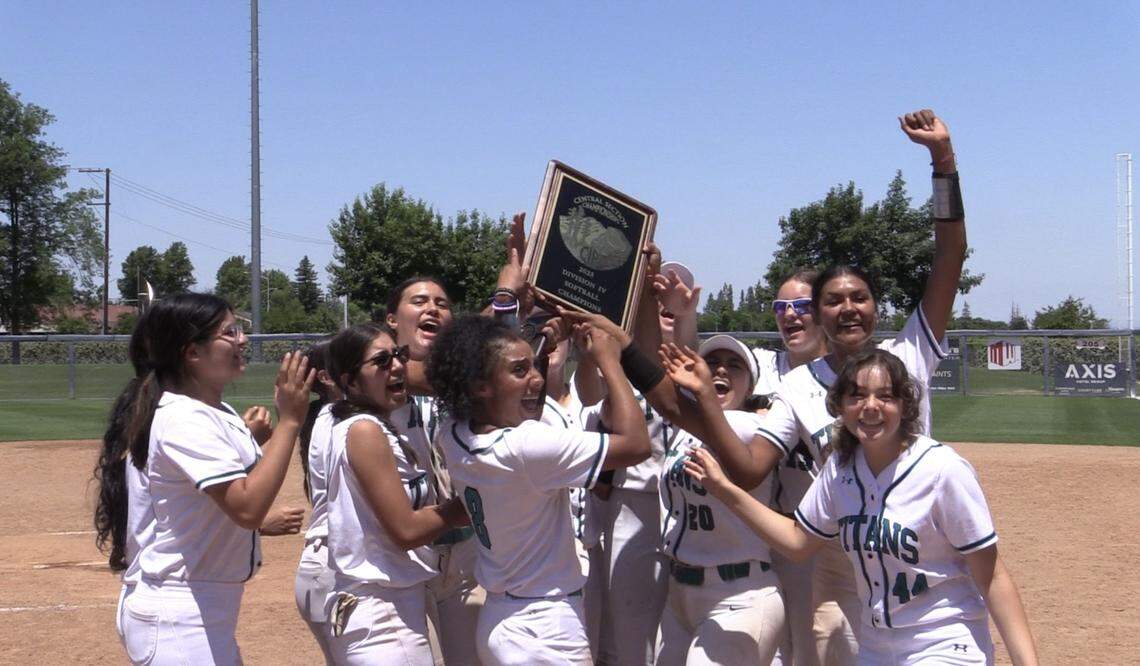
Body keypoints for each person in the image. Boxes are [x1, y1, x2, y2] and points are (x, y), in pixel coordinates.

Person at [748, 108, 967, 664]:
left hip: (920, 550)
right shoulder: (800, 385)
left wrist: (943, 164)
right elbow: (751, 465)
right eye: (833, 299)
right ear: (817, 314)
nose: (848, 307)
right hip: (841, 564)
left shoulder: (908, 354)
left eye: (860, 297)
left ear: (876, 306)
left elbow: (949, 256)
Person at [684, 349, 1038, 665]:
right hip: (876, 647)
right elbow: (797, 542)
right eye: (857, 396)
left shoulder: (942, 470)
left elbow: (991, 575)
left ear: (905, 406)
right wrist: (725, 489)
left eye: (885, 396)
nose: (870, 406)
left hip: (944, 640)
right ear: (840, 406)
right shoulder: (839, 469)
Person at [93, 293, 314, 665]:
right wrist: (291, 420)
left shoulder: (211, 411)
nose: (242, 339)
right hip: (180, 614)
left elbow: (210, 503)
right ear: (192, 353)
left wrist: (251, 442)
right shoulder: (184, 417)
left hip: (196, 609)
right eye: (229, 332)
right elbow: (245, 506)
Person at [428, 314, 652, 665]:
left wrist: (541, 351)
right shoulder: (526, 448)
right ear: (480, 385)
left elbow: (513, 404)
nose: (535, 378)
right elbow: (637, 444)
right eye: (520, 371)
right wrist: (610, 361)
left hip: (501, 617)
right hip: (544, 627)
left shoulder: (453, 433)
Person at [322, 322, 470, 664]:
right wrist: (470, 505)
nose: (398, 366)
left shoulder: (370, 426)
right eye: (382, 361)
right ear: (349, 381)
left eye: (399, 355)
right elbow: (405, 531)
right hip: (381, 610)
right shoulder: (364, 431)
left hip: (387, 603)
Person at [653, 335, 786, 665]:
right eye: (712, 363)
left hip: (739, 594)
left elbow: (662, 396)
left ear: (750, 386)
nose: (721, 369)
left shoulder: (752, 426)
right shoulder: (685, 429)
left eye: (735, 365)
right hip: (679, 593)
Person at [754, 269, 834, 666]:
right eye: (780, 307)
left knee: (817, 643)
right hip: (774, 529)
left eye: (801, 306)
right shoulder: (762, 366)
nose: (790, 315)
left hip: (827, 533)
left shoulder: (844, 375)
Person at [294, 340, 340, 663]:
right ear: (326, 378)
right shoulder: (344, 422)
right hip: (333, 572)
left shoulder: (326, 416)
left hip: (321, 569)